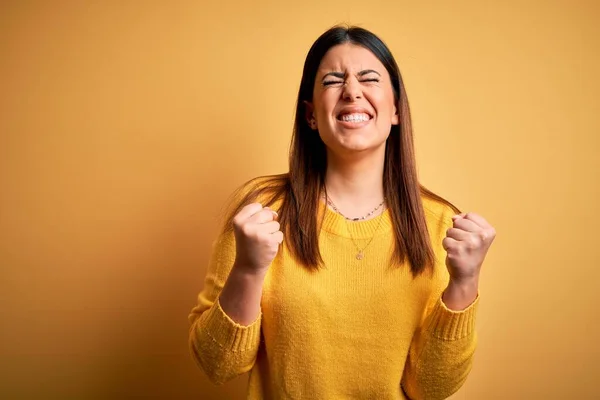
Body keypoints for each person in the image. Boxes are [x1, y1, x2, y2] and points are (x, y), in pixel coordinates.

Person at [188, 25, 496, 400]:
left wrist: (465, 282)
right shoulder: (260, 215)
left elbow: (430, 387)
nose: (352, 91)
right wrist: (248, 269)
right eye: (334, 81)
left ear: (396, 109)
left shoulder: (442, 226)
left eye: (369, 78)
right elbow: (217, 364)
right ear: (312, 115)